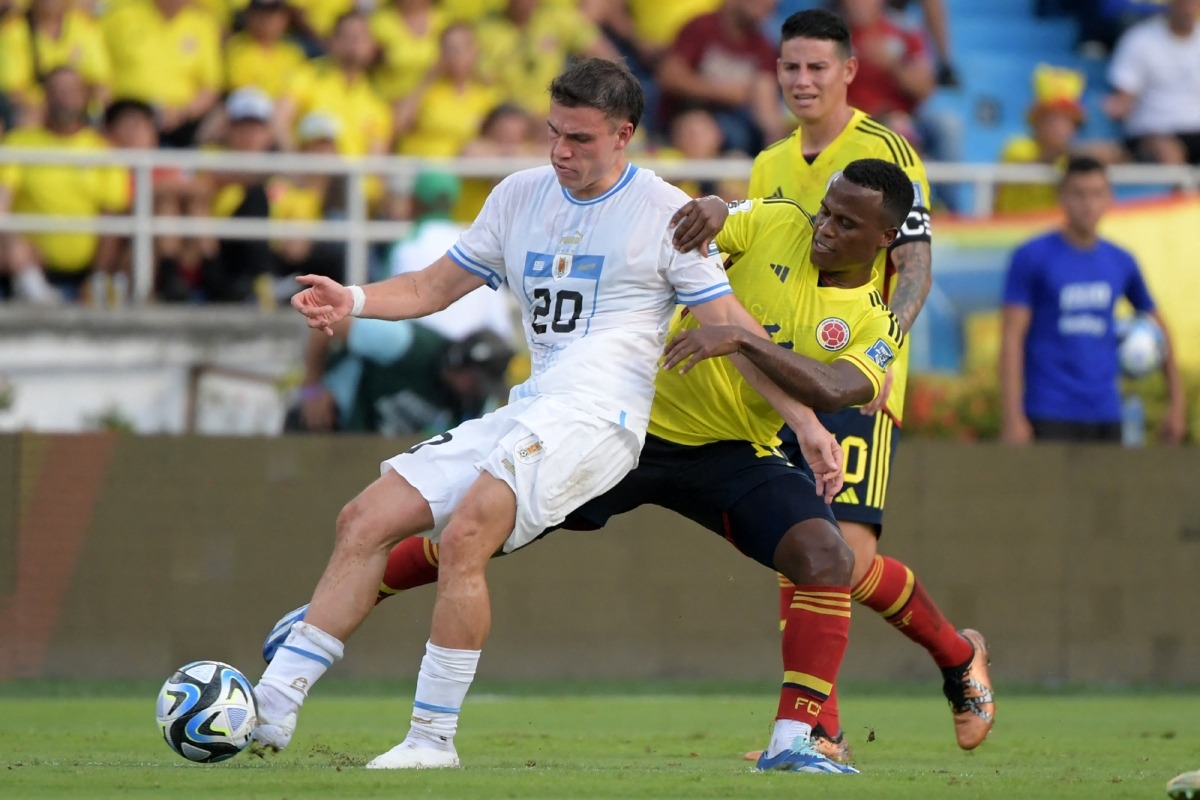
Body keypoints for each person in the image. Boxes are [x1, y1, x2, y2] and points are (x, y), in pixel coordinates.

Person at [248, 57, 842, 771]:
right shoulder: (518, 195)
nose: (561, 151)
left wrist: (806, 423)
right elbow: (433, 287)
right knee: (364, 517)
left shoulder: (665, 213)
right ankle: (270, 706)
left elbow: (733, 330)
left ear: (623, 134)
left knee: (466, 535)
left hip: (601, 419)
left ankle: (431, 741)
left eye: (579, 138)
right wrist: (354, 299)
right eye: (554, 133)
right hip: (533, 405)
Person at [666, 8, 994, 758]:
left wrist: (886, 352)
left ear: (849, 71)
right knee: (806, 550)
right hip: (783, 378)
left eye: (817, 66)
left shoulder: (884, 150)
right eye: (790, 66)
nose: (802, 80)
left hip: (853, 377)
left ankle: (948, 661)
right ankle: (827, 729)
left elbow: (914, 263)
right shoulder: (769, 161)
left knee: (843, 557)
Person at [999, 155, 1186, 445]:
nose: (1088, 204)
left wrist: (1176, 406)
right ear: (1062, 197)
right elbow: (1012, 337)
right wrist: (1012, 417)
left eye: (1097, 194)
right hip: (1048, 410)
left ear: (1110, 198)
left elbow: (1159, 328)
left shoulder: (1121, 260)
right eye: (1079, 194)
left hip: (1106, 411)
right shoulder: (1031, 257)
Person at [0, 67, 128, 304]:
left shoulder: (104, 151)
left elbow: (112, 217)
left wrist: (96, 274)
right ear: (45, 96)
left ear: (85, 96)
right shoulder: (18, 142)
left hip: (88, 268)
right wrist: (14, 243)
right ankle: (36, 293)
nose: (64, 97)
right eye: (57, 90)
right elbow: (2, 201)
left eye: (71, 90)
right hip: (26, 264)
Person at [287, 319, 514, 435]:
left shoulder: (474, 403)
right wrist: (312, 389)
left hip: (369, 450)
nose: (477, 391)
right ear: (458, 362)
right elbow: (330, 324)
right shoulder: (405, 343)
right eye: (475, 381)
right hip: (326, 420)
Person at [385, 168, 516, 343]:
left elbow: (387, 312)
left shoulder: (406, 245)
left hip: (425, 352)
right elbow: (501, 325)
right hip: (474, 351)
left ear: (414, 202)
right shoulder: (479, 244)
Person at [1103, 0, 1200, 165]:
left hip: (1196, 130)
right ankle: (1178, 183)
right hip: (1152, 132)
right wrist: (1117, 106)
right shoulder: (1139, 39)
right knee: (1168, 151)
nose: (1187, 8)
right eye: (1183, 2)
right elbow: (1124, 96)